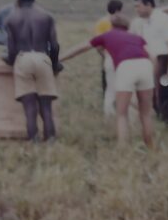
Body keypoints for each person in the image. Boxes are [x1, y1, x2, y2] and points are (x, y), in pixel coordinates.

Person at [62, 14, 155, 147]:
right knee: (145, 113)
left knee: (121, 113)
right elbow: (152, 56)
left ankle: (122, 147)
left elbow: (80, 48)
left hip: (126, 66)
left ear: (111, 25)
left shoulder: (106, 35)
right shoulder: (137, 37)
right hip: (145, 65)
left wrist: (60, 58)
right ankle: (150, 146)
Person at [4, 0, 61, 141]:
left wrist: (9, 61)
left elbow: (11, 49)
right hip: (42, 57)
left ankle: (34, 141)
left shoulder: (11, 19)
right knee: (46, 106)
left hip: (23, 58)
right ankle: (50, 140)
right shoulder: (46, 16)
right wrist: (55, 65)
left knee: (29, 106)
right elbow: (55, 46)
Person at [130, 0, 168, 125]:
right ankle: (160, 119)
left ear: (148, 5)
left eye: (138, 6)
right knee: (150, 93)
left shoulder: (163, 19)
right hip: (148, 60)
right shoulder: (142, 21)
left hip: (162, 59)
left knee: (163, 94)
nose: (136, 10)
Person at [95, 0, 123, 116]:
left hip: (106, 55)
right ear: (118, 10)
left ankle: (109, 107)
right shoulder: (120, 22)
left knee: (107, 82)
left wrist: (104, 55)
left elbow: (98, 43)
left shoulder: (101, 22)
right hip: (119, 56)